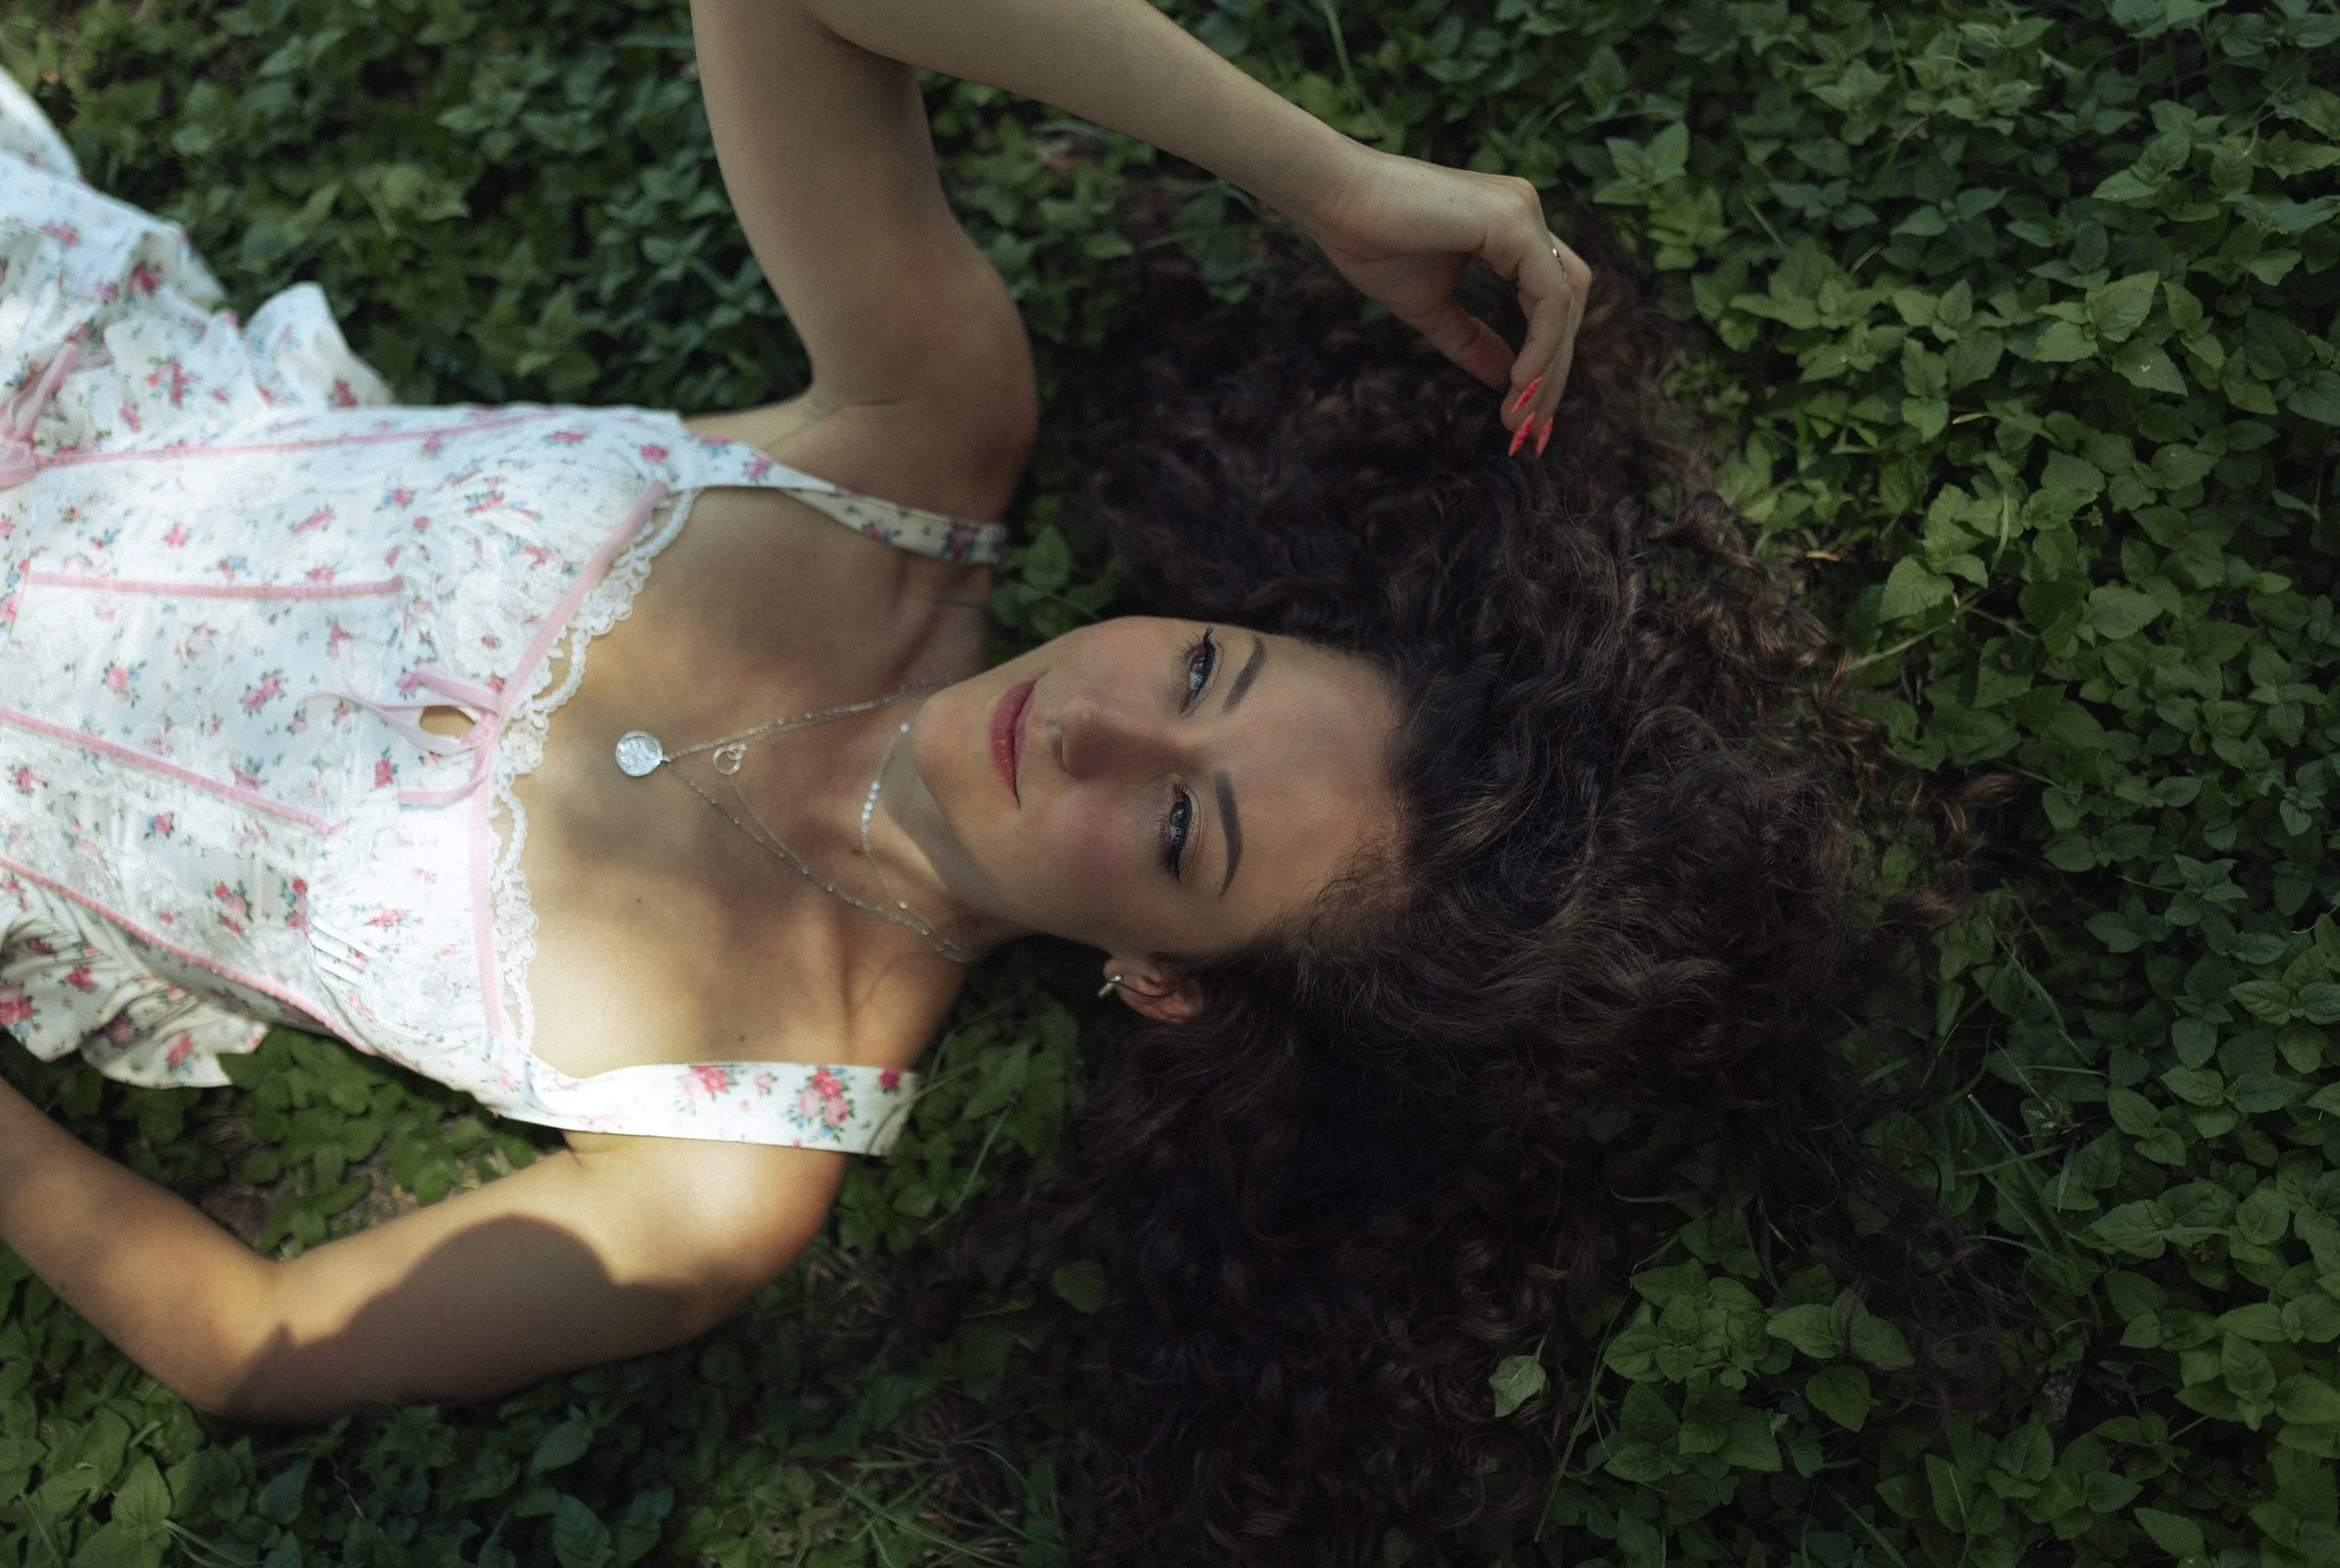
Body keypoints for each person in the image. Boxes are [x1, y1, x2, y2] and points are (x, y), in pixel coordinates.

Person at [0, 0, 2010, 1560]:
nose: (1104, 724)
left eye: (1173, 825)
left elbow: (252, 1337)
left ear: (1168, 985)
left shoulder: (723, 1161)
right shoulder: (910, 443)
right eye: (1205, 668)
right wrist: (1314, 171)